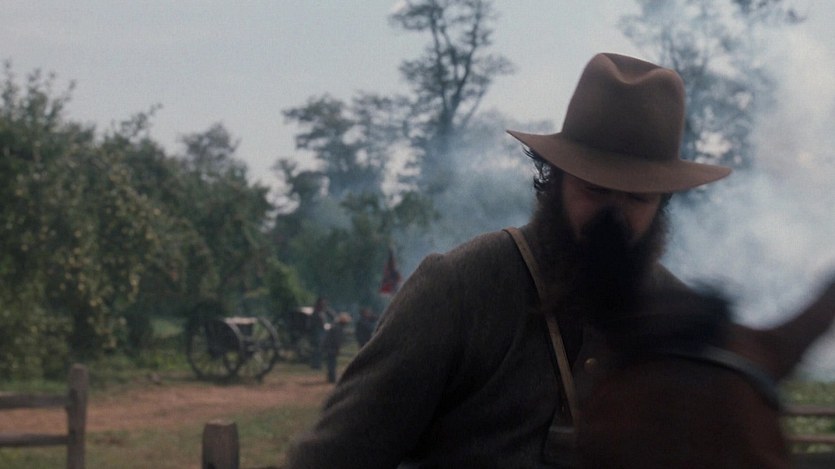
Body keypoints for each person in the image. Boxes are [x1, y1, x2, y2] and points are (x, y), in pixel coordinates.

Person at [286, 53, 732, 468]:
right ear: (555, 179)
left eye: (638, 198)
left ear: (662, 204)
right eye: (594, 189)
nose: (613, 216)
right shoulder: (459, 289)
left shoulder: (674, 322)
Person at [323, 312, 352, 383]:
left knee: (331, 362)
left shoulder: (335, 326)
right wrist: (337, 348)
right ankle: (332, 378)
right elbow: (337, 340)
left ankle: (331, 377)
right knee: (332, 362)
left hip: (329, 346)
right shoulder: (338, 328)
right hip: (332, 347)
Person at [308, 297, 335, 370]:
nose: (323, 305)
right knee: (317, 350)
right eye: (322, 303)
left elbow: (333, 316)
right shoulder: (316, 313)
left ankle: (317, 364)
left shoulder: (323, 312)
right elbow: (318, 324)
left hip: (322, 333)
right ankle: (316, 365)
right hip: (317, 333)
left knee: (320, 350)